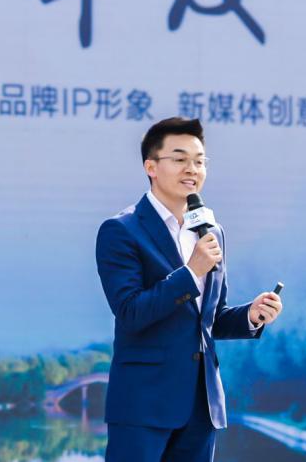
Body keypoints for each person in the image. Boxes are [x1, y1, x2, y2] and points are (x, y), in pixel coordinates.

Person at [95, 116, 283, 462]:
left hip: (201, 405)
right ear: (151, 167)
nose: (192, 169)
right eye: (180, 159)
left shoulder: (211, 231)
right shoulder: (121, 230)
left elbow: (208, 319)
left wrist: (251, 316)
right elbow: (131, 312)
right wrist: (191, 271)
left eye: (199, 161)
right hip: (143, 405)